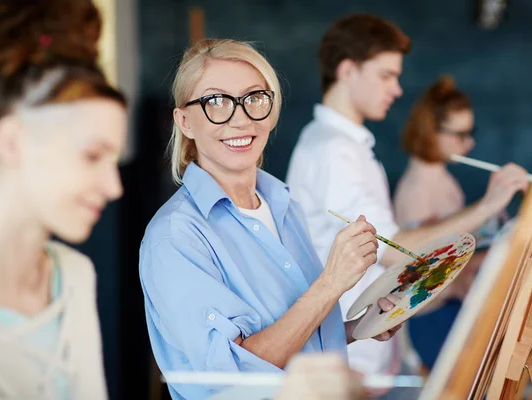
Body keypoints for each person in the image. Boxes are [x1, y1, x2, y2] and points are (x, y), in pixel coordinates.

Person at [139, 39, 401, 400]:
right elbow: (235, 374)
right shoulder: (174, 237)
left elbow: (289, 339)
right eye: (216, 102)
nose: (240, 118)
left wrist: (355, 328)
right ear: (184, 121)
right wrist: (331, 283)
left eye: (254, 99)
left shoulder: (284, 205)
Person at [286, 13, 529, 382]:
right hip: (349, 363)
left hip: (362, 350)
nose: (397, 89)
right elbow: (395, 249)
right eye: (386, 75)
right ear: (348, 71)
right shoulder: (333, 152)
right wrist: (489, 205)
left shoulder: (346, 147)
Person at [0, 1, 127, 399]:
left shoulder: (73, 277)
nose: (114, 187)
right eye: (92, 156)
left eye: (115, 161)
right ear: (12, 142)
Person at [394, 76, 507, 369]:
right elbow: (420, 274)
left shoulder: (443, 179)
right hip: (432, 319)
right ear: (431, 132)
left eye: (471, 132)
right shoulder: (417, 190)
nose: (469, 142)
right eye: (460, 134)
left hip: (450, 311)